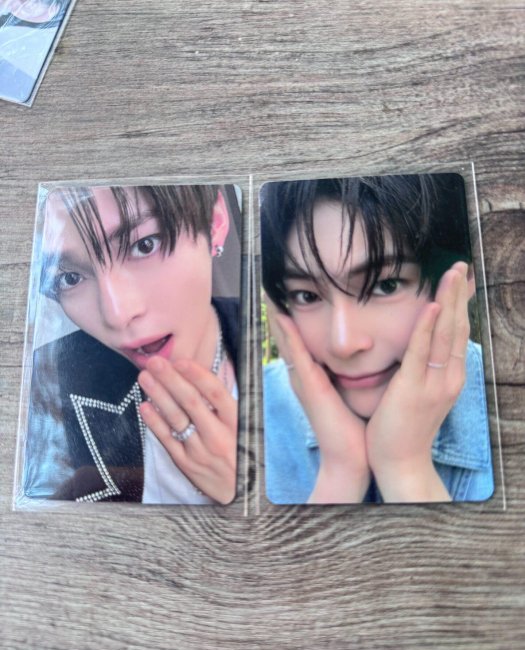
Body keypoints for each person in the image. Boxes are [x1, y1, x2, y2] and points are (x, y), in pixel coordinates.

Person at [261, 174, 494, 504]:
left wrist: (406, 468)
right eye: (307, 295)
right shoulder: (257, 408)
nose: (343, 343)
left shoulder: (506, 401)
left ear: (465, 277)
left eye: (386, 285)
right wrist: (341, 473)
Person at [22, 184, 240, 504]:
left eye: (144, 245)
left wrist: (245, 492)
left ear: (215, 221)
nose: (118, 314)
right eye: (69, 278)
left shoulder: (294, 349)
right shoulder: (45, 385)